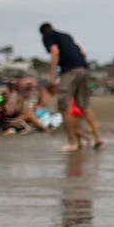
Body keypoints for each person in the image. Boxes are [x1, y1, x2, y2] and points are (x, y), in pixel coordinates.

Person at [39, 23, 104, 151]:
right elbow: (83, 52)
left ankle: (73, 143)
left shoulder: (48, 36)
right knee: (84, 105)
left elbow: (55, 52)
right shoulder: (66, 36)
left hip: (70, 70)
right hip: (83, 68)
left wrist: (51, 78)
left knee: (63, 106)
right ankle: (98, 137)